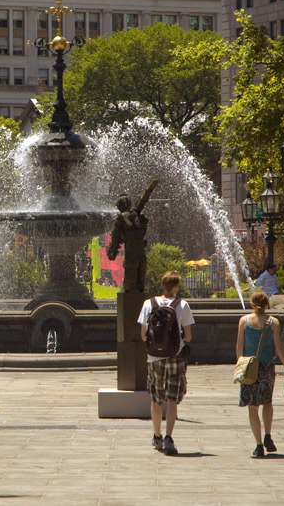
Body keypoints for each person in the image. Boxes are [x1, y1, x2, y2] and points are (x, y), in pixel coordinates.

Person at [137, 271, 194, 456]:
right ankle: (169, 437)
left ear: (162, 286)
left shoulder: (148, 304)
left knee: (156, 397)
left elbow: (143, 335)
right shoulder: (182, 305)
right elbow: (189, 336)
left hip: (154, 357)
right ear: (176, 287)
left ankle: (157, 435)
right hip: (175, 357)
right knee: (172, 398)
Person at [236, 291, 284, 458]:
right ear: (267, 304)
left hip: (249, 367)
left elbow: (239, 347)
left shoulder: (244, 321)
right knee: (267, 401)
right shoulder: (273, 322)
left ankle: (258, 445)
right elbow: (278, 348)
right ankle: (268, 435)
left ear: (252, 305)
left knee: (252, 407)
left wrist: (241, 364)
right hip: (267, 366)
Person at [107, 193, 149, 293]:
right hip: (142, 256)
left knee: (129, 288)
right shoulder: (139, 217)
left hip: (131, 257)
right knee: (140, 287)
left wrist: (111, 253)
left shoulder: (121, 218)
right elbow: (142, 233)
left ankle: (130, 307)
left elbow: (115, 238)